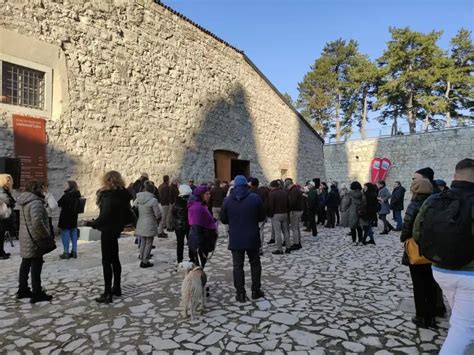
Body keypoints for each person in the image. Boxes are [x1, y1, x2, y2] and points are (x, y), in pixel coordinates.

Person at [414, 159, 474, 354]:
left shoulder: (434, 200)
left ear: (455, 176)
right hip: (469, 273)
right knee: (463, 329)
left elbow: (417, 232)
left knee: (460, 316)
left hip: (440, 270)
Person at [220, 175, 266, 303]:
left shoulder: (228, 200)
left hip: (236, 237)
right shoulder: (255, 198)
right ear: (247, 185)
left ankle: (240, 293)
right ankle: (256, 290)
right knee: (255, 264)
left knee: (237, 266)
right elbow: (262, 216)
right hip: (252, 236)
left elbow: (223, 219)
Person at [91, 171, 133, 304]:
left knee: (106, 261)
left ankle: (107, 293)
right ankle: (117, 287)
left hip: (108, 229)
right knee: (115, 259)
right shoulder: (122, 193)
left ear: (107, 180)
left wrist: (93, 224)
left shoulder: (110, 196)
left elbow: (105, 215)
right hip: (116, 229)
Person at [400, 177, 437, 329]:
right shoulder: (437, 203)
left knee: (419, 285)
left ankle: (421, 316)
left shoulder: (414, 205)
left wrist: (403, 238)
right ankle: (432, 317)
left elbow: (407, 226)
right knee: (431, 285)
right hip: (435, 249)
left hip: (417, 249)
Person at [16, 180, 53, 303]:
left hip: (25, 236)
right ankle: (37, 293)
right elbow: (37, 222)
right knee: (36, 265)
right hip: (34, 238)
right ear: (38, 189)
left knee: (25, 263)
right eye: (42, 188)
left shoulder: (23, 201)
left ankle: (23, 289)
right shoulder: (36, 202)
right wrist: (46, 235)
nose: (44, 190)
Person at [188, 185, 217, 269]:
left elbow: (204, 220)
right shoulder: (197, 208)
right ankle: (195, 281)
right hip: (200, 242)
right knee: (199, 266)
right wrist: (199, 245)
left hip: (204, 239)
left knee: (201, 264)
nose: (209, 196)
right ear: (201, 195)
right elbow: (196, 226)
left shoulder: (201, 205)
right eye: (207, 194)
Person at [133, 181, 161, 268]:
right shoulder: (153, 200)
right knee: (149, 242)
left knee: (143, 241)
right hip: (150, 222)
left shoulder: (139, 198)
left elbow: (134, 206)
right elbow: (158, 213)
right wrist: (158, 219)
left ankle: (141, 256)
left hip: (141, 221)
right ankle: (145, 261)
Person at [58, 181, 82, 259]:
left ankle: (66, 252)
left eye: (66, 185)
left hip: (65, 217)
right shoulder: (77, 195)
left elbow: (59, 203)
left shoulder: (66, 196)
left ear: (70, 186)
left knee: (65, 233)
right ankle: (74, 251)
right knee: (74, 233)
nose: (64, 186)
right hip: (74, 217)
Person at [268, 180, 291, 254]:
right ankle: (288, 247)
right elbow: (288, 203)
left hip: (276, 214)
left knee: (278, 232)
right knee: (286, 231)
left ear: (272, 186)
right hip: (284, 213)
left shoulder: (272, 194)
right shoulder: (284, 192)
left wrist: (270, 215)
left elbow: (271, 206)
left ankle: (279, 249)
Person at [249, 178, 270, 254]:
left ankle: (252, 247)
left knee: (251, 231)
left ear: (251, 184)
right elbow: (267, 203)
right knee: (261, 231)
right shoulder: (263, 192)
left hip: (251, 215)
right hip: (261, 214)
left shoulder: (249, 192)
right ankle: (260, 248)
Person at [173, 184, 192, 264]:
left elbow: (173, 213)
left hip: (179, 225)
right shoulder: (191, 202)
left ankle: (179, 260)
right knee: (191, 243)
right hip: (189, 225)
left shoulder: (177, 202)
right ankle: (192, 258)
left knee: (180, 243)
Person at [287, 178, 304, 251]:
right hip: (299, 210)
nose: (287, 188)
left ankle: (296, 244)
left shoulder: (294, 191)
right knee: (297, 228)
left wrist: (288, 208)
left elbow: (292, 202)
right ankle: (298, 242)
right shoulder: (297, 189)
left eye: (287, 186)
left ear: (289, 185)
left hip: (295, 211)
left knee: (294, 228)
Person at [0, 174, 15, 260]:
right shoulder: (1, 191)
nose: (9, 182)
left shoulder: (5, 191)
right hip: (1, 216)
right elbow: (8, 201)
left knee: (1, 235)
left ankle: (1, 251)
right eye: (7, 180)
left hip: (3, 216)